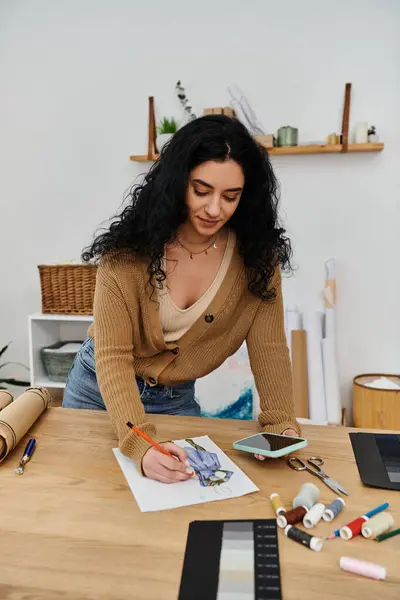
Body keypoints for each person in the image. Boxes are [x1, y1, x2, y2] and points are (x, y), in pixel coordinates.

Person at [63, 114, 300, 483]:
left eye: (230, 196)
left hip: (175, 401)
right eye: (201, 190)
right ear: (177, 184)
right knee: (86, 498)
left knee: (180, 505)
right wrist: (138, 443)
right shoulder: (127, 255)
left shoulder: (256, 261)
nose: (214, 209)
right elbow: (113, 359)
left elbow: (269, 348)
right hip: (98, 391)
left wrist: (282, 423)